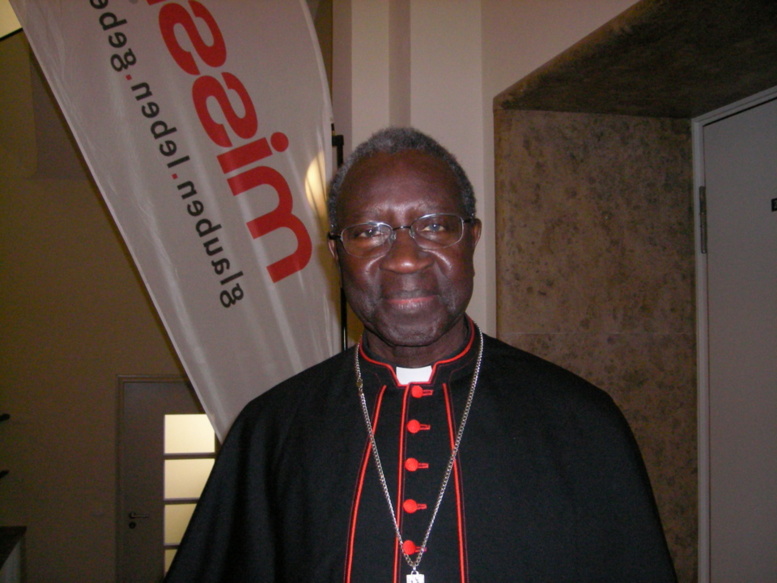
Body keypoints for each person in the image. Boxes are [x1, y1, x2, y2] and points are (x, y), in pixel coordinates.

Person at [165, 127, 677, 582]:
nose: (405, 259)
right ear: (337, 254)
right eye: (368, 232)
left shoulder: (581, 421)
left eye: (434, 225)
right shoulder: (271, 430)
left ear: (472, 239)